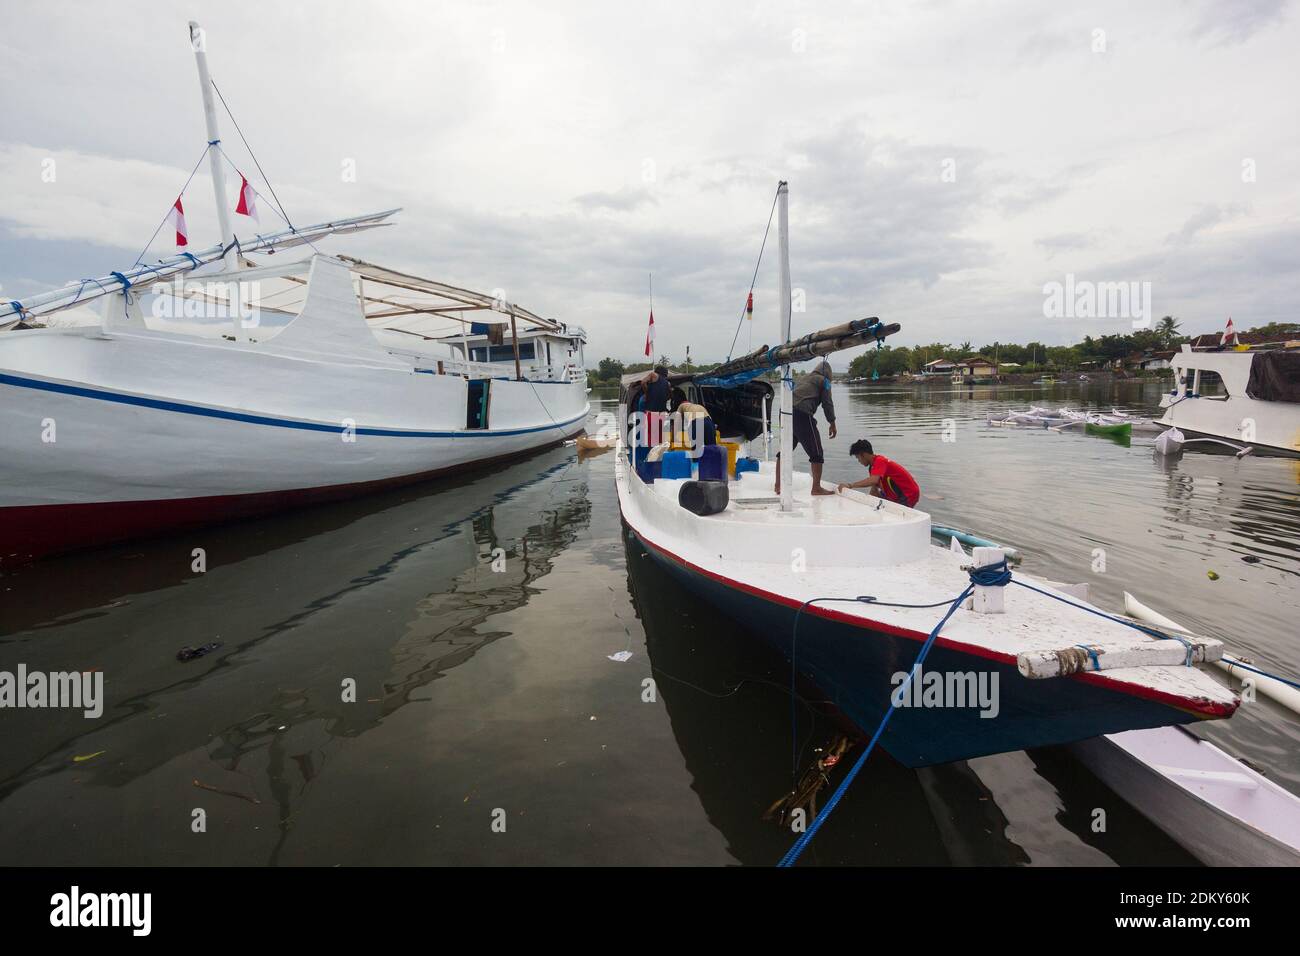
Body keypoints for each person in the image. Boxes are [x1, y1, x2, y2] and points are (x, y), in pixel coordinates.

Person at [775, 358, 837, 495]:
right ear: (829, 374)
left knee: (785, 450)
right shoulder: (824, 381)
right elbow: (827, 403)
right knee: (817, 452)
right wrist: (832, 423)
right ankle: (816, 488)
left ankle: (778, 485)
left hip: (784, 411)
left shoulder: (803, 378)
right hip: (801, 413)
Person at [837, 439, 921, 508]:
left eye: (858, 457)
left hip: (908, 493)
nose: (859, 461)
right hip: (895, 493)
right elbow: (874, 490)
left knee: (896, 514)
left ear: (863, 454)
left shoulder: (880, 461)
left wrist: (850, 485)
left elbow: (873, 480)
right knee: (881, 507)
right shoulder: (872, 467)